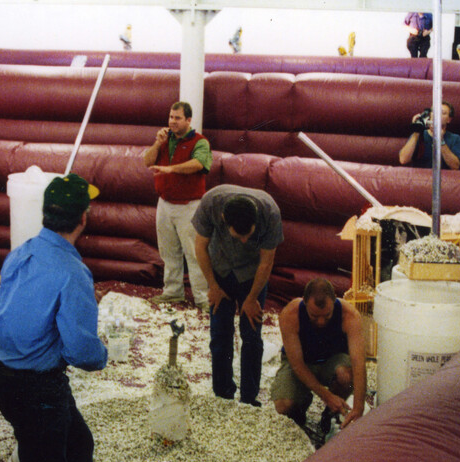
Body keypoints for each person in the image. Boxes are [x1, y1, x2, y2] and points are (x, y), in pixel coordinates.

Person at [0, 172, 107, 462]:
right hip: (40, 388)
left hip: (5, 380)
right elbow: (81, 351)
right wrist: (101, 352)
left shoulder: (21, 253)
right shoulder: (73, 273)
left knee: (79, 445)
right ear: (83, 219)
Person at [192, 185, 283, 405]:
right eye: (238, 235)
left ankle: (249, 399)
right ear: (224, 219)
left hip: (252, 275)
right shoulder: (210, 203)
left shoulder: (270, 213)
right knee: (220, 333)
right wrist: (213, 286)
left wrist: (251, 299)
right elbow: (200, 246)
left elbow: (266, 261)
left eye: (248, 235)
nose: (244, 240)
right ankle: (222, 395)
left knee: (251, 335)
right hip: (220, 269)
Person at [270, 278, 366, 438]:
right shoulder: (290, 314)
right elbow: (297, 364)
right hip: (302, 364)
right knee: (283, 406)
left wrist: (358, 408)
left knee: (346, 375)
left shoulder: (350, 315)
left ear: (335, 302)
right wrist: (326, 395)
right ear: (304, 303)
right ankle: (301, 405)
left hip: (332, 361)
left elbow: (359, 362)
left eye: (327, 316)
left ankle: (331, 414)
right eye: (314, 316)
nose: (321, 321)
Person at [142, 101, 212, 309]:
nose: (172, 122)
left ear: (189, 120)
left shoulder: (200, 142)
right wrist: (157, 143)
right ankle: (173, 292)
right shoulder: (165, 140)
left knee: (194, 253)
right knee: (168, 251)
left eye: (177, 118)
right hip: (164, 203)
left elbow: (198, 164)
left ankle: (202, 298)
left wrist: (171, 169)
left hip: (189, 205)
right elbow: (147, 162)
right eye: (171, 117)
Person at [398, 102, 460, 170]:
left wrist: (441, 141)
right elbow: (403, 160)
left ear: (449, 119)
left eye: (443, 113)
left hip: (445, 178)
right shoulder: (420, 135)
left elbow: (456, 166)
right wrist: (416, 131)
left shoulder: (455, 138)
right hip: (420, 177)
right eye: (434, 111)